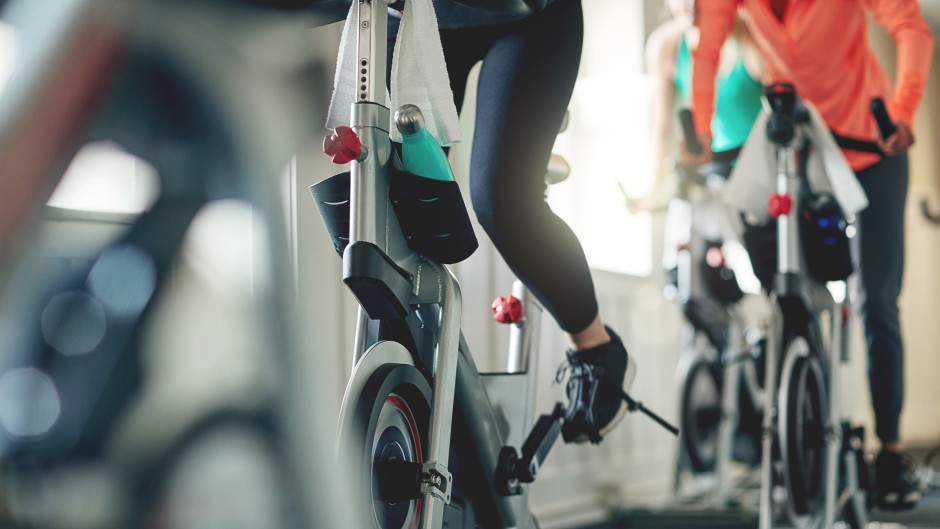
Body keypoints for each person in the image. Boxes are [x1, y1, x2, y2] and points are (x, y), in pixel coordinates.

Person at [688, 0, 934, 510]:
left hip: (871, 145)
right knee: (784, 280)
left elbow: (909, 27)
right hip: (799, 144)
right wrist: (702, 129)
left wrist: (905, 109)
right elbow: (707, 48)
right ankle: (798, 411)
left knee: (877, 300)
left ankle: (889, 452)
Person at [387, 0, 636, 444]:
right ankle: (413, 366)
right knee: (398, 195)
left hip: (531, 16)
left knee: (502, 199)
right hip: (421, 13)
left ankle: (595, 346)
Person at [635, 0, 764, 212]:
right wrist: (654, 189)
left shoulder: (748, 36)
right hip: (708, 170)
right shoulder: (666, 46)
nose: (690, 3)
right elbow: (661, 130)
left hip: (755, 169)